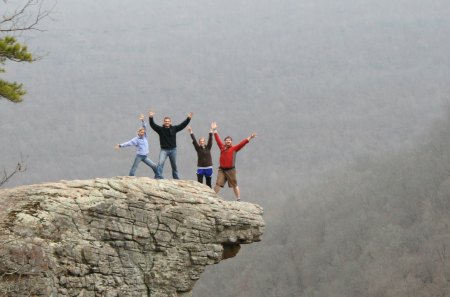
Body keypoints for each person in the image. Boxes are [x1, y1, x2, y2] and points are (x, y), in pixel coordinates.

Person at [211, 122, 256, 201]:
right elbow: (217, 138)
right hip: (222, 169)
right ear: (225, 141)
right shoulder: (222, 147)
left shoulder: (234, 148)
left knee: (234, 185)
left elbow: (242, 143)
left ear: (231, 142)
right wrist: (214, 129)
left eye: (229, 140)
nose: (228, 141)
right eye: (226, 140)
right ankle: (212, 197)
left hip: (231, 170)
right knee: (218, 183)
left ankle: (238, 198)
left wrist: (250, 137)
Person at [148, 110, 193, 179]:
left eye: (168, 121)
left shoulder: (174, 128)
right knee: (160, 163)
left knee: (174, 165)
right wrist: (151, 117)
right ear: (164, 122)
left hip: (173, 150)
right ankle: (158, 176)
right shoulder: (160, 129)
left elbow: (182, 125)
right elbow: (153, 125)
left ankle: (176, 177)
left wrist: (188, 119)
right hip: (164, 150)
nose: (167, 122)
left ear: (170, 122)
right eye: (166, 121)